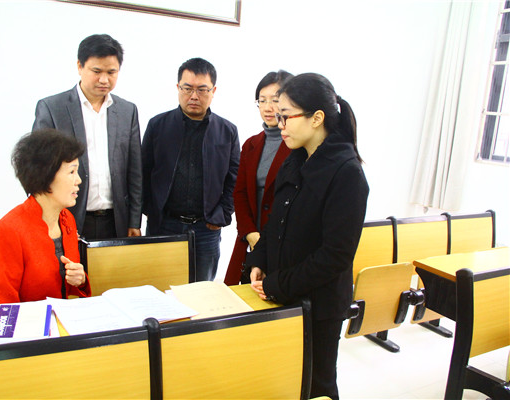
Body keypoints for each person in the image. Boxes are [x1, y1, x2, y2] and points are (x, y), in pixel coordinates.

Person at [245, 73, 369, 399]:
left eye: (286, 116)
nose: (280, 124)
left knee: (316, 386)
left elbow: (335, 256)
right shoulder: (297, 159)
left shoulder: (347, 173)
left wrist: (277, 284)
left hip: (320, 306)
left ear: (316, 118)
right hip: (284, 293)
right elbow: (275, 222)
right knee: (282, 381)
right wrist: (259, 260)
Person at [32, 33, 142, 240]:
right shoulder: (52, 108)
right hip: (67, 218)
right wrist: (48, 220)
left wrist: (134, 220)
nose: (104, 79)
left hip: (116, 221)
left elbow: (135, 171)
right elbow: (37, 170)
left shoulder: (127, 111)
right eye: (96, 71)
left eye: (111, 72)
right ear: (79, 66)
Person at [142, 57, 240, 282]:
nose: (194, 96)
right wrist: (152, 210)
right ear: (178, 88)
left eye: (202, 90)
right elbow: (144, 171)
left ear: (213, 91)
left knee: (201, 292)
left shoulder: (227, 131)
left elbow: (234, 178)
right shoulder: (158, 125)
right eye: (187, 88)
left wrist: (222, 215)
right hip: (164, 226)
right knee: (159, 287)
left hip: (206, 228)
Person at [0, 129, 91, 309]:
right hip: (28, 325)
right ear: (46, 175)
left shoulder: (66, 219)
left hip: (59, 318)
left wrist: (80, 280)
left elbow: (63, 286)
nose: (78, 180)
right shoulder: (8, 231)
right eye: (72, 172)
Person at [223, 70, 293, 286]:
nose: (268, 107)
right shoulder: (251, 144)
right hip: (251, 240)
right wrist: (250, 233)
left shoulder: (297, 144)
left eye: (275, 100)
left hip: (284, 243)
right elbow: (240, 193)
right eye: (262, 100)